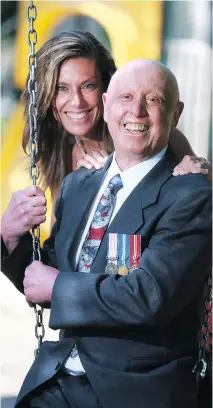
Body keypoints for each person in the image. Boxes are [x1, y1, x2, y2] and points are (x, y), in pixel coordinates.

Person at [1, 59, 211, 408]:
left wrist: (57, 286)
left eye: (154, 100)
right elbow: (48, 272)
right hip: (59, 377)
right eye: (126, 97)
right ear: (107, 105)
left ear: (176, 113)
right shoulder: (78, 186)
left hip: (133, 386)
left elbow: (149, 293)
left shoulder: (189, 195)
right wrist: (9, 239)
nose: (137, 110)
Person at [21, 30, 211, 226]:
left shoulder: (151, 136)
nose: (76, 102)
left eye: (88, 86)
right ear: (46, 94)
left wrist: (205, 173)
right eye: (62, 88)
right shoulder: (58, 146)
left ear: (106, 89)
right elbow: (60, 237)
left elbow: (201, 200)